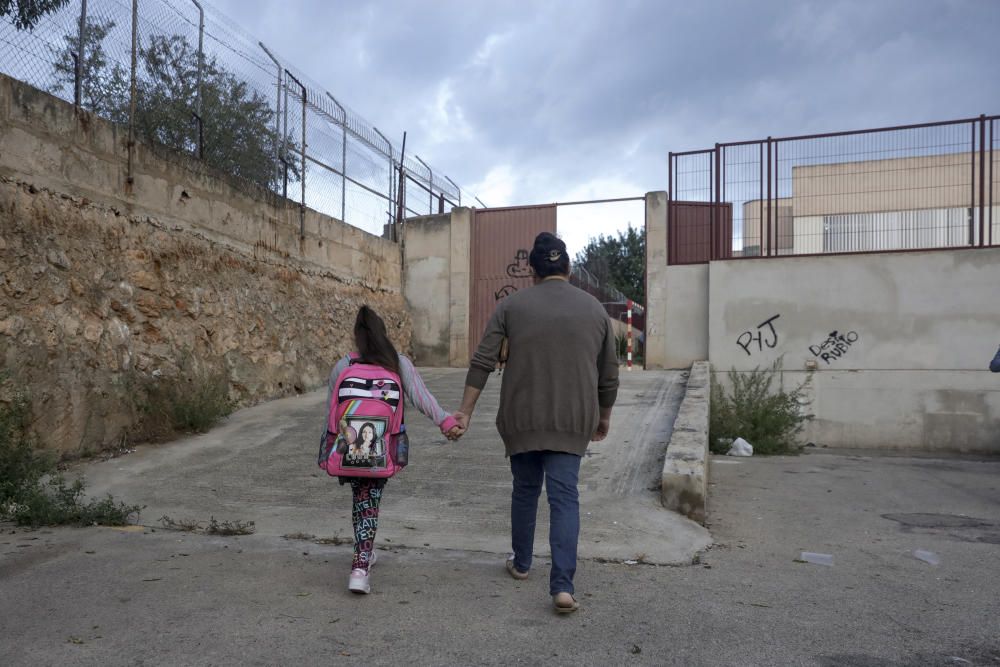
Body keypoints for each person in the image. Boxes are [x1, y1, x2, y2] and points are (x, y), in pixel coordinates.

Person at [454, 232, 619, 614]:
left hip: (521, 417)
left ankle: (522, 563)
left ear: (532, 270)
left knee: (525, 490)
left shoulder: (511, 306)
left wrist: (465, 411)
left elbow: (482, 361)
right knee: (565, 499)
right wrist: (604, 415)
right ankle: (562, 587)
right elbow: (608, 375)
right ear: (568, 267)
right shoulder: (595, 310)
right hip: (572, 419)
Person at [324, 305, 463, 595]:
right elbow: (421, 397)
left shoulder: (344, 366)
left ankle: (364, 553)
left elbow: (331, 412)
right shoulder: (397, 363)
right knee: (369, 498)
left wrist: (331, 447)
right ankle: (360, 567)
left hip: (350, 442)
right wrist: (446, 422)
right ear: (383, 334)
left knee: (362, 497)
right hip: (382, 444)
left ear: (357, 337)